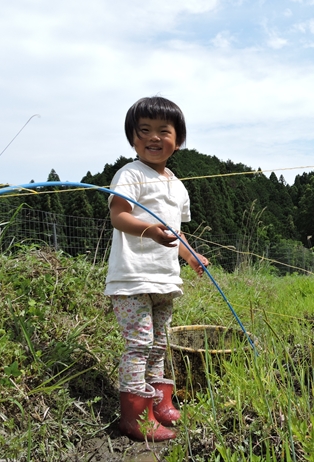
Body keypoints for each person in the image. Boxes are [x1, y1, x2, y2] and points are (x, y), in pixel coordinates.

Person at [105, 96, 208, 441]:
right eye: (144, 130)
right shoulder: (130, 174)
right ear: (132, 139)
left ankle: (159, 403)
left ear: (177, 140)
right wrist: (148, 230)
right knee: (139, 344)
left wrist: (191, 257)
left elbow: (176, 233)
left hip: (165, 279)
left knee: (159, 343)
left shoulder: (177, 185)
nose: (153, 137)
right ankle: (134, 416)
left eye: (163, 131)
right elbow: (118, 216)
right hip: (132, 278)